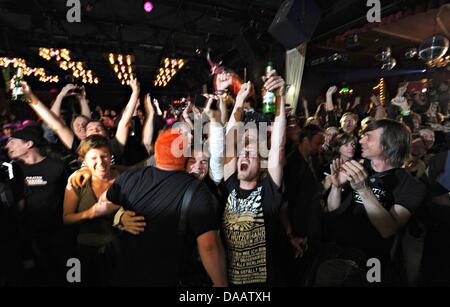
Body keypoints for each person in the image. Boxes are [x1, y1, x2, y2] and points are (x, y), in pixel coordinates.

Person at [102, 128, 227, 286]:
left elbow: (104, 203)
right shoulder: (195, 191)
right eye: (192, 161)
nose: (197, 167)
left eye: (203, 162)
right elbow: (210, 246)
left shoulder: (212, 190)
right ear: (184, 161)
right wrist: (119, 217)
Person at [323, 119, 427, 285]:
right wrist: (336, 187)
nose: (361, 140)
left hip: (372, 262)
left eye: (368, 137)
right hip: (336, 254)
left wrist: (364, 190)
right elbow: (334, 210)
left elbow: (387, 229)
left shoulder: (412, 186)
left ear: (388, 144)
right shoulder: (357, 169)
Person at [222, 69, 286, 286]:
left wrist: (280, 97)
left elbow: (277, 146)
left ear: (263, 164)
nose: (243, 155)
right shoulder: (230, 185)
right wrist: (239, 100)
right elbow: (230, 139)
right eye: (242, 152)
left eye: (251, 153)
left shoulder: (269, 191)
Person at [5, 126, 72, 285]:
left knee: (71, 274)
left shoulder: (57, 166)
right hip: (33, 237)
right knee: (44, 277)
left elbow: (72, 196)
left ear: (28, 144)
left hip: (61, 233)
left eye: (12, 142)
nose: (8, 146)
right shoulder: (14, 170)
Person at [63, 135, 120, 286]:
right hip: (88, 250)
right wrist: (91, 213)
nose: (101, 162)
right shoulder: (77, 181)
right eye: (93, 158)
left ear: (111, 156)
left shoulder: (122, 177)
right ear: (84, 161)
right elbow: (67, 218)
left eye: (104, 156)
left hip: (120, 249)